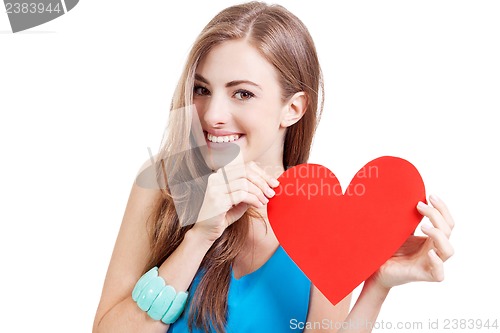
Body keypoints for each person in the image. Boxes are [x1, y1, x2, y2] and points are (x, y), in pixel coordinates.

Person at [92, 2, 455, 332]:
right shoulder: (163, 185)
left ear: (293, 108)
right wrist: (198, 238)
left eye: (242, 93)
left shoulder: (321, 217)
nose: (213, 115)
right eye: (202, 89)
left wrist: (378, 284)